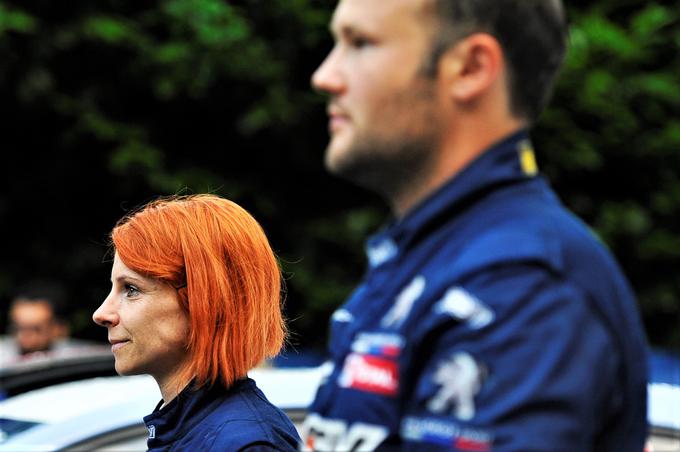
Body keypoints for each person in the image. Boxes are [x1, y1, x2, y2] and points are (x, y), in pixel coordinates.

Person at [300, 0, 649, 450]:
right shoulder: (434, 255)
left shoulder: (520, 283)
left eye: (360, 43)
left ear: (470, 68)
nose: (325, 76)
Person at [92, 194, 300, 451]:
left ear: (204, 301)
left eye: (131, 289)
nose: (101, 314)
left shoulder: (247, 444)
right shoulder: (190, 430)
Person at [1, 280, 72, 366]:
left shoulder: (78, 359)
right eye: (18, 328)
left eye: (36, 330)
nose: (26, 340)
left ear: (59, 329)